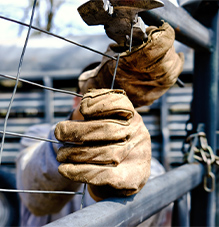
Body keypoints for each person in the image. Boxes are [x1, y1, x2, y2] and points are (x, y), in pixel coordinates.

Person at [16, 21, 184, 226]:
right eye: (87, 93)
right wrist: (78, 126)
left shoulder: (143, 155)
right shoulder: (37, 135)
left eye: (110, 94)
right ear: (74, 100)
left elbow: (159, 216)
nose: (98, 101)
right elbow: (35, 196)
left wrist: (126, 193)